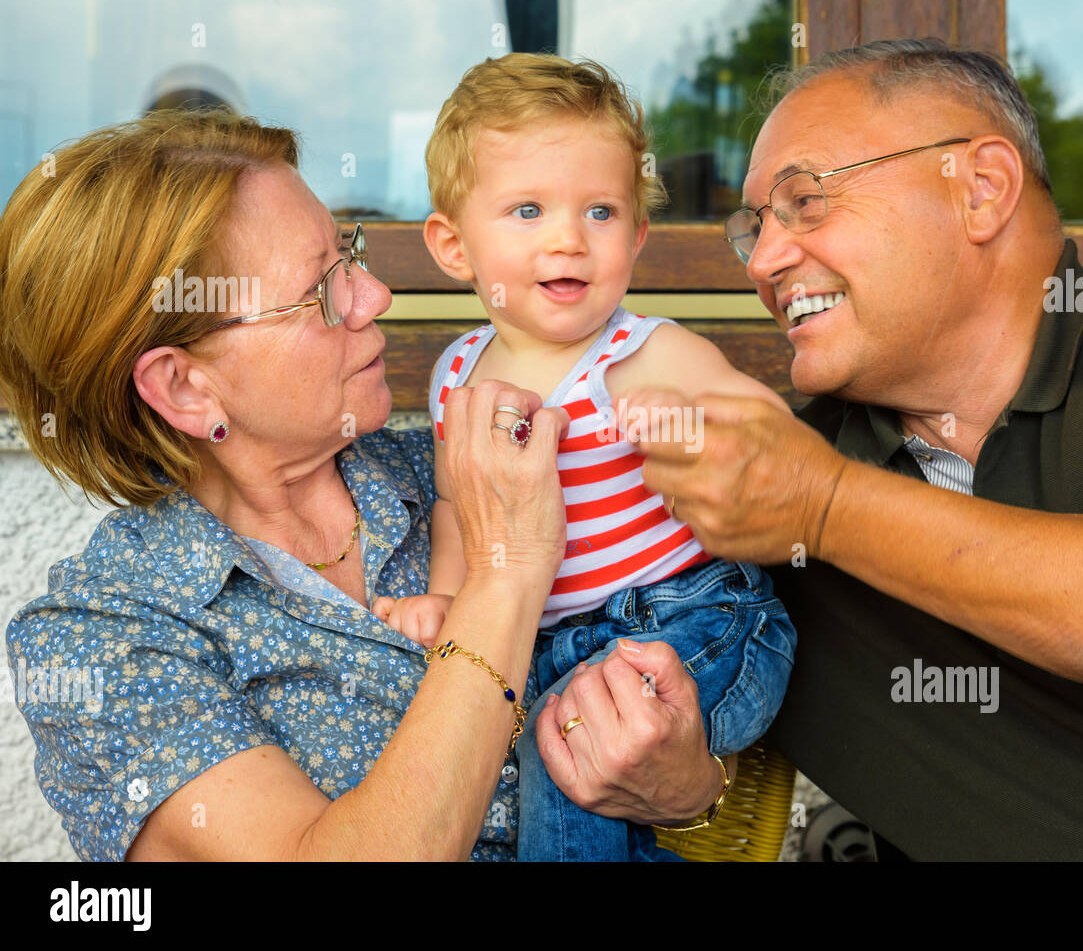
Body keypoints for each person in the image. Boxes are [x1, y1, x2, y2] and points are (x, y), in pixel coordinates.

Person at [616, 40, 1083, 859]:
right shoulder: (764, 483)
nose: (763, 261)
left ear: (981, 190)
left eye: (805, 200)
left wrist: (826, 506)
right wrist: (690, 791)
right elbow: (710, 786)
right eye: (752, 228)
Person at [0, 109, 727, 861]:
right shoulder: (103, 638)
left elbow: (701, 648)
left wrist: (689, 790)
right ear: (186, 389)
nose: (374, 295)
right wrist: (507, 575)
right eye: (322, 290)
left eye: (351, 252)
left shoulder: (455, 468)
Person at [371, 54, 798, 861]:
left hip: (695, 620)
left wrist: (689, 428)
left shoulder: (647, 354)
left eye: (600, 212)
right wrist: (448, 595)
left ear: (637, 236)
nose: (568, 238)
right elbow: (459, 503)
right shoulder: (457, 375)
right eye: (527, 209)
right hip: (564, 644)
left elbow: (775, 447)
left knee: (565, 746)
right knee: (549, 740)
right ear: (452, 245)